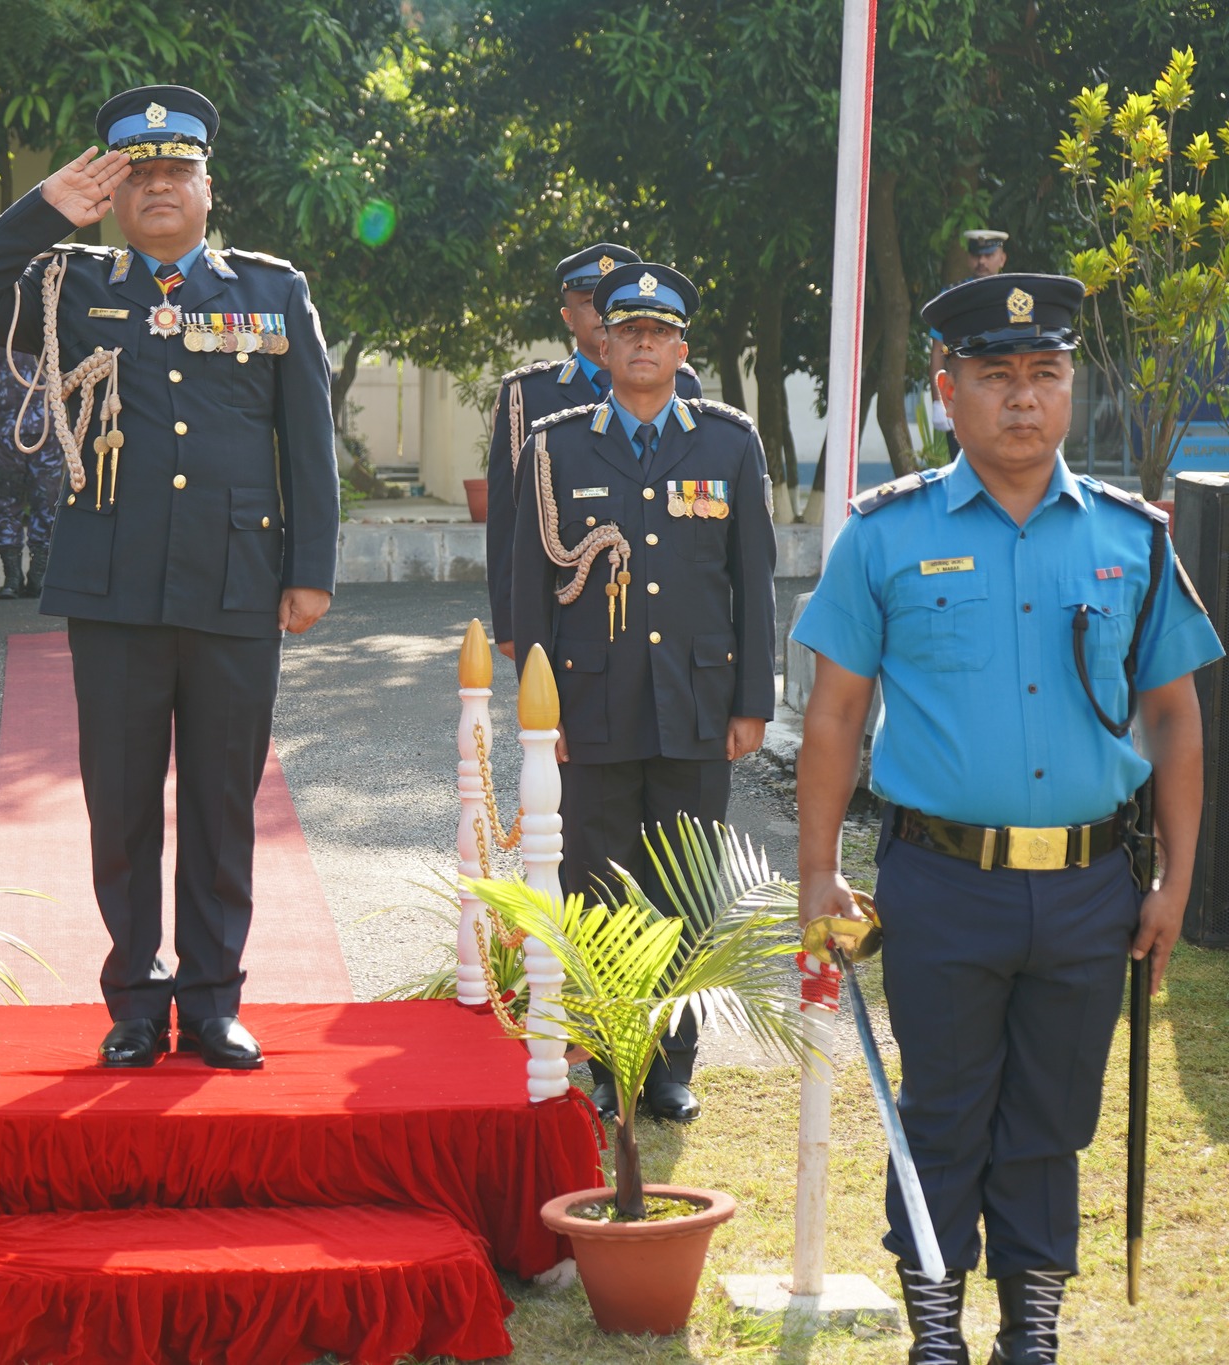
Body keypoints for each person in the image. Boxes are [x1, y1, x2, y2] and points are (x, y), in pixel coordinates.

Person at [792, 273, 1220, 1365]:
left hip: (1088, 889)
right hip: (939, 884)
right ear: (946, 390)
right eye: (994, 376)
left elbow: (1172, 716)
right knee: (941, 1113)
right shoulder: (882, 537)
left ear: (1069, 385)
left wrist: (1173, 881)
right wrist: (815, 874)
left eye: (1044, 374)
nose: (1022, 399)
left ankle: (1029, 1332)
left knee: (1050, 1120)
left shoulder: (1131, 537)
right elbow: (835, 715)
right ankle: (934, 1329)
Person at [0, 84, 338, 1070]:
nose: (159, 188)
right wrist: (40, 211)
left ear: (208, 187)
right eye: (138, 175)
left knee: (218, 801)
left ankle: (209, 1000)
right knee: (119, 806)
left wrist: (309, 570)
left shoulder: (269, 292)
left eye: (176, 173)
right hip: (112, 587)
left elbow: (308, 442)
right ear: (112, 194)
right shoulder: (70, 284)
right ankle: (129, 999)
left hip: (237, 583)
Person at [510, 261, 777, 1123]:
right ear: (604, 341)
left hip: (696, 707)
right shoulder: (553, 445)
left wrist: (751, 702)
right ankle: (601, 1055)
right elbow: (527, 590)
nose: (643, 345)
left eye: (659, 334)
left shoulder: (730, 442)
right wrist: (537, 711)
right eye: (629, 332)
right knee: (595, 883)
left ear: (680, 348)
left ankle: (671, 1063)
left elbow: (753, 581)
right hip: (592, 707)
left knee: (686, 887)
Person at [485, 243, 700, 659]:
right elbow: (509, 518)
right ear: (567, 316)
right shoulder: (528, 395)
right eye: (590, 302)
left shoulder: (683, 385)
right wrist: (510, 620)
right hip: (569, 598)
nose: (604, 314)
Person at [0, 336, 65, 598]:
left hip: (49, 429)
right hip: (4, 429)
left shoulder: (51, 317)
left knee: (48, 501)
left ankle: (39, 573)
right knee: (6, 503)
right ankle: (12, 575)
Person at [928, 228, 1009, 459]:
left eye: (989, 255)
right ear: (968, 258)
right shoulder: (951, 297)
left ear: (1002, 258)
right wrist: (938, 402)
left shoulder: (1013, 298)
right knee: (962, 466)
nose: (981, 261)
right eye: (976, 255)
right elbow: (937, 352)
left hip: (1001, 396)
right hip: (962, 396)